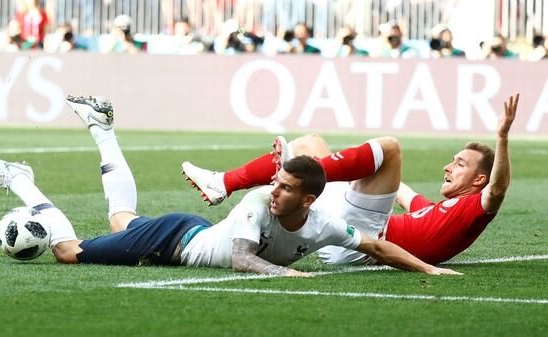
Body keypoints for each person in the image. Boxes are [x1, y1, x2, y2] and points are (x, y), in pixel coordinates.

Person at [0, 96, 460, 277]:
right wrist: (287, 276)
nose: (275, 187)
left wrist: (429, 272)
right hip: (175, 239)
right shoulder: (257, 202)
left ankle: (101, 128)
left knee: (122, 220)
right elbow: (245, 260)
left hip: (190, 239)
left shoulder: (323, 221)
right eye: (278, 179)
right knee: (69, 253)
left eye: (286, 186)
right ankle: (23, 182)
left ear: (309, 200)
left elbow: (375, 245)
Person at [182, 94, 520, 265]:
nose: (448, 167)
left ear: (478, 181)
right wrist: (350, 165)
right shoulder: (437, 210)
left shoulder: (475, 207)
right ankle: (225, 181)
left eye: (459, 164)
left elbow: (500, 187)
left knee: (390, 148)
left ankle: (294, 172)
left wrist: (502, 137)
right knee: (311, 144)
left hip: (369, 237)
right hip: (358, 227)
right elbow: (403, 193)